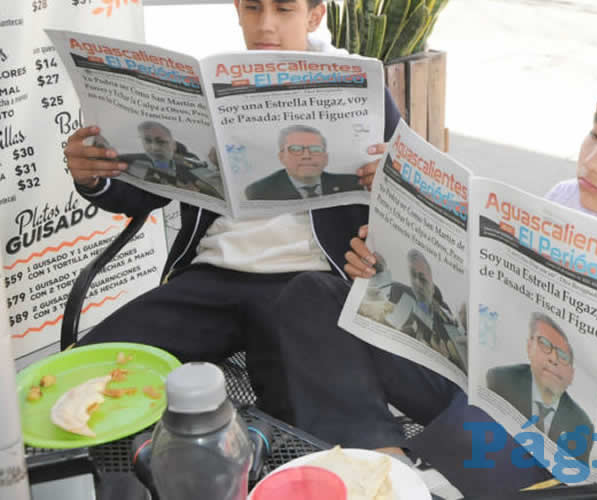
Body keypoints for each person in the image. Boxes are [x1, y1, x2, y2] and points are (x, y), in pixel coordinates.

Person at [299, 61, 597, 496]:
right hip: (477, 377)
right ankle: (386, 458)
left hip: (557, 436)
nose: (593, 162)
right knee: (313, 297)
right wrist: (386, 267)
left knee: (491, 427)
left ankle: (401, 476)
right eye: (596, 135)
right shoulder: (568, 199)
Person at [63, 0, 400, 424]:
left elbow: (404, 210)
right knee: (91, 373)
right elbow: (145, 191)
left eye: (284, 10)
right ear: (238, 10)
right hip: (210, 279)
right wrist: (95, 176)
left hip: (307, 289)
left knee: (293, 424)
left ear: (315, 16)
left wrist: (388, 180)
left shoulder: (358, 89)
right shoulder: (204, 86)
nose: (266, 25)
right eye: (253, 8)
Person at [486, 312, 593, 464]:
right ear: (529, 347)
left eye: (563, 356)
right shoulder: (500, 380)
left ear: (571, 375)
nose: (554, 359)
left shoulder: (582, 425)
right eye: (545, 344)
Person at [359, 249, 465, 370]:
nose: (417, 283)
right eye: (413, 275)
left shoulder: (447, 324)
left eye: (422, 278)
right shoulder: (397, 292)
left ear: (433, 287)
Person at [244, 125, 362, 200]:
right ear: (281, 157)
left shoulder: (352, 184)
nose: (306, 156)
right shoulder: (259, 191)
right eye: (295, 149)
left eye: (315, 149)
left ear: (326, 158)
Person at [117, 121, 225, 198]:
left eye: (161, 142)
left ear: (173, 145)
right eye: (147, 141)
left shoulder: (193, 167)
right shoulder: (130, 164)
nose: (154, 147)